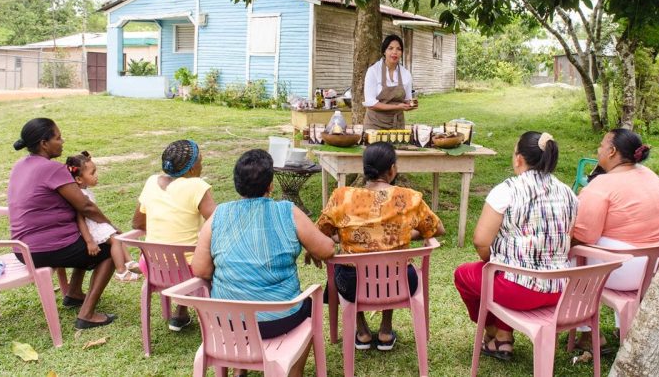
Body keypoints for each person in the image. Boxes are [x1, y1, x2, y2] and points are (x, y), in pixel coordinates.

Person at [192, 149, 335, 377]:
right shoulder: (287, 211)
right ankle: (292, 372)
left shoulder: (218, 215)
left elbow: (200, 269)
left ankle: (240, 368)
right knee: (309, 304)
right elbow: (327, 249)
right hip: (279, 320)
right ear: (270, 185)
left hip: (227, 323)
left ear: (237, 183)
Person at [454, 131, 578, 361]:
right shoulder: (569, 193)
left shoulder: (507, 190)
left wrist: (493, 261)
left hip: (519, 292)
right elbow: (566, 241)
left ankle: (492, 331)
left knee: (465, 275)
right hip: (560, 290)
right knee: (501, 275)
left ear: (519, 159)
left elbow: (481, 241)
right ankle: (503, 336)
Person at [315, 142, 445, 351]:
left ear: (364, 169)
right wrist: (402, 233)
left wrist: (347, 236)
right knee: (391, 267)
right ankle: (386, 330)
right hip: (400, 284)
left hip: (352, 286)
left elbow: (321, 232)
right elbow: (438, 229)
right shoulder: (410, 197)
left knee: (348, 269)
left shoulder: (342, 196)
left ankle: (362, 331)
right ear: (392, 169)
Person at [7, 118, 117, 329]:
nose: (62, 141)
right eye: (58, 137)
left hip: (22, 249)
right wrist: (112, 228)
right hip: (43, 249)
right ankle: (87, 315)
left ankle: (74, 294)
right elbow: (85, 206)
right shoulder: (53, 169)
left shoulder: (20, 165)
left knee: (84, 241)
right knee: (110, 248)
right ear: (43, 143)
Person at [572, 128, 659, 347]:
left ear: (612, 151)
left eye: (601, 145)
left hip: (622, 272)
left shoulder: (602, 184)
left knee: (569, 255)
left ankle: (587, 332)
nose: (598, 149)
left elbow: (584, 234)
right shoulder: (650, 175)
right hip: (655, 268)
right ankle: (620, 327)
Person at [132, 139, 216, 331]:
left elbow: (137, 222)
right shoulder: (196, 185)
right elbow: (218, 222)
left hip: (153, 267)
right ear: (192, 168)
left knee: (182, 251)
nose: (202, 165)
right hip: (188, 270)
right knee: (212, 257)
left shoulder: (152, 182)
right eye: (200, 161)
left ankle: (180, 312)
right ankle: (219, 315)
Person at [65, 151, 141, 282]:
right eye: (92, 173)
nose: (96, 176)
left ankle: (129, 263)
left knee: (119, 238)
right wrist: (89, 241)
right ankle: (121, 271)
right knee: (116, 240)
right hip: (91, 229)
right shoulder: (80, 195)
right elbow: (80, 220)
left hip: (95, 224)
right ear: (78, 179)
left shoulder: (84, 191)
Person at [363, 34, 417, 129]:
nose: (394, 52)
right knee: (377, 145)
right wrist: (397, 107)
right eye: (390, 48)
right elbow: (371, 104)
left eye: (398, 49)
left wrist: (411, 104)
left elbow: (407, 99)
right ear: (384, 51)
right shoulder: (373, 71)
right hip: (375, 125)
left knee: (398, 145)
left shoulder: (406, 74)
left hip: (397, 125)